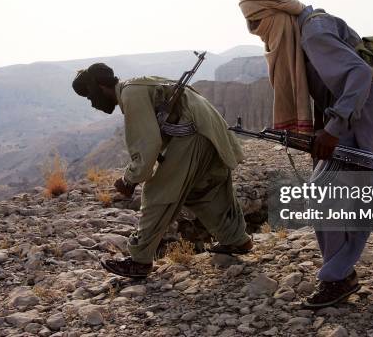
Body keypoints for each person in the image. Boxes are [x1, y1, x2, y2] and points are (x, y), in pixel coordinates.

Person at [239, 0, 373, 308]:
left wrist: (332, 130)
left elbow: (358, 75)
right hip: (356, 111)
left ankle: (339, 277)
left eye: (259, 24)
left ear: (274, 11)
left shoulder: (313, 32)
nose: (259, 33)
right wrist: (321, 133)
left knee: (326, 193)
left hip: (366, 112)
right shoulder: (308, 27)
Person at [71, 63, 252, 278]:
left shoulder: (131, 95)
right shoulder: (138, 84)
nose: (93, 104)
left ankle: (139, 261)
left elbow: (147, 146)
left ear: (101, 87)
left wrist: (129, 179)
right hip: (208, 131)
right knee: (201, 191)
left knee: (157, 194)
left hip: (194, 136)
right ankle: (236, 240)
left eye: (91, 97)